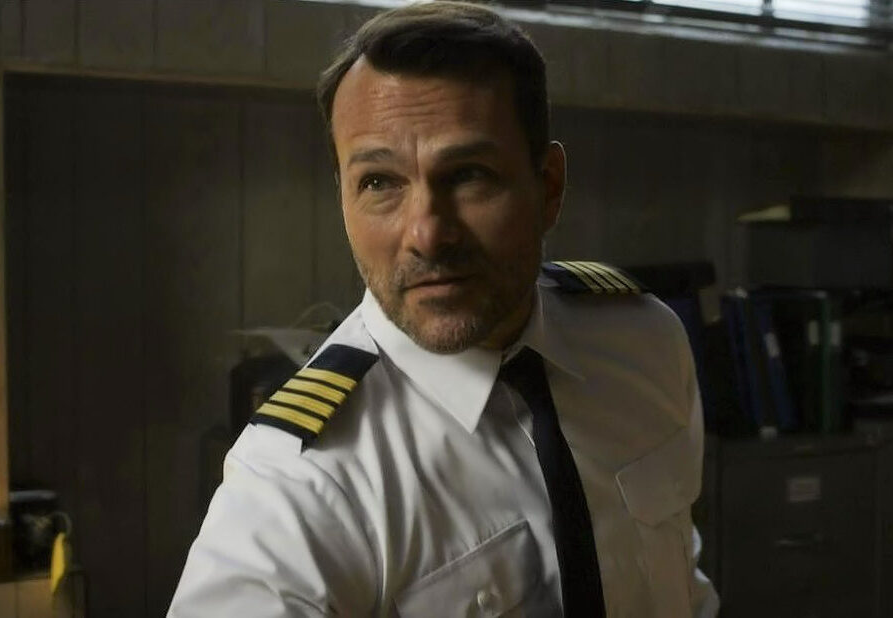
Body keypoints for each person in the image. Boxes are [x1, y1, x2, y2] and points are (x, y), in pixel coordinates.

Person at [169, 2, 718, 616]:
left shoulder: (644, 340)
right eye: (380, 182)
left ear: (549, 187)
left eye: (469, 175)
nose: (427, 234)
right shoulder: (305, 478)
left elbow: (681, 583)